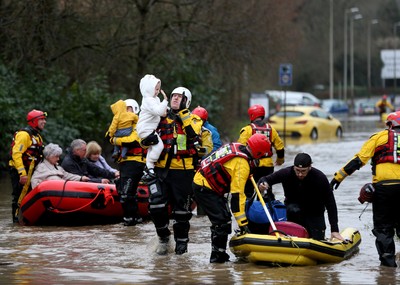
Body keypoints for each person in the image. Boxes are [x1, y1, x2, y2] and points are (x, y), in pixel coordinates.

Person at [330, 111, 400, 267]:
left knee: (383, 230)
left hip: (384, 190)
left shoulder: (378, 137)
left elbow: (359, 160)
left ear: (389, 125)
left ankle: (388, 269)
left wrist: (338, 177)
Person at [193, 133, 271, 263]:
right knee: (222, 223)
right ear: (259, 153)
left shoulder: (239, 147)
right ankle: (217, 259)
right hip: (205, 187)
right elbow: (237, 195)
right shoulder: (242, 164)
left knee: (225, 220)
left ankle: (220, 255)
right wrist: (243, 224)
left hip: (204, 182)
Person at [147, 86, 203, 256]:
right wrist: (144, 140)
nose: (175, 99)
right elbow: (142, 135)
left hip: (183, 173)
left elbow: (193, 134)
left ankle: (181, 245)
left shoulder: (193, 119)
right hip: (161, 170)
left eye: (180, 97)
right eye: (173, 96)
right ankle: (163, 237)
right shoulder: (159, 117)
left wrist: (183, 114)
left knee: (182, 212)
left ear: (187, 100)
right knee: (156, 205)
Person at [258, 153, 344, 241]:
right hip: (293, 214)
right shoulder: (286, 173)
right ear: (294, 167)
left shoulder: (320, 178)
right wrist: (263, 184)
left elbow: (331, 204)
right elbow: (265, 179)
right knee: (292, 211)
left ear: (310, 167)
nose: (299, 174)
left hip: (315, 214)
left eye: (303, 171)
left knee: (317, 238)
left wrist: (334, 230)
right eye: (297, 170)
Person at [110, 99, 147, 226]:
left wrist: (115, 140)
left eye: (129, 108)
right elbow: (109, 136)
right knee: (124, 191)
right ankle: (135, 218)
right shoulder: (120, 125)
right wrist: (114, 138)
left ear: (135, 110)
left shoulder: (139, 124)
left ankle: (130, 220)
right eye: (124, 109)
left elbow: (131, 140)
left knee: (126, 193)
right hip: (125, 162)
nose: (126, 111)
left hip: (135, 162)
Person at [238, 104, 285, 197]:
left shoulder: (247, 130)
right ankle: (268, 207)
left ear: (251, 115)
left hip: (252, 166)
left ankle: (248, 209)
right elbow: (280, 147)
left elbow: (240, 148)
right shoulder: (271, 129)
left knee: (248, 192)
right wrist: (280, 160)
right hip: (268, 166)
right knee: (266, 191)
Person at [9, 109, 47, 222]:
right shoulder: (24, 135)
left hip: (31, 171)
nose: (44, 122)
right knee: (19, 196)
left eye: (44, 120)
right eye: (42, 119)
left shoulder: (37, 136)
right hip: (21, 171)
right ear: (34, 121)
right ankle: (16, 222)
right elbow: (16, 154)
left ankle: (27, 219)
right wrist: (22, 174)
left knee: (29, 196)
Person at [136, 74, 169, 181]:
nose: (158, 91)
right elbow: (159, 111)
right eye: (156, 89)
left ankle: (149, 169)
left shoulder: (154, 100)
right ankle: (149, 166)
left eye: (159, 89)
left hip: (148, 129)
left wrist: (166, 108)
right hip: (145, 129)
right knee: (159, 147)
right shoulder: (148, 100)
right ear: (149, 89)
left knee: (153, 148)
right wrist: (165, 100)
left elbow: (162, 112)